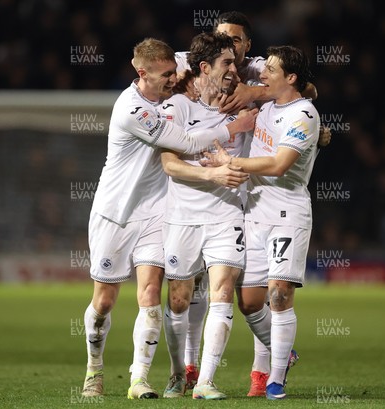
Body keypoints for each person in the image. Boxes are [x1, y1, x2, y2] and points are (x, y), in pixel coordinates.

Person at [80, 37, 256, 400]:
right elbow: (187, 143)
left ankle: (138, 378)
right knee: (105, 302)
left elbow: (205, 63)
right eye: (164, 75)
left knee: (149, 294)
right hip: (116, 213)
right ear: (142, 74)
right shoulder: (132, 109)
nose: (172, 79)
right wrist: (234, 128)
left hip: (158, 211)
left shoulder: (173, 88)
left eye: (174, 73)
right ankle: (94, 368)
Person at [202, 45, 319, 400]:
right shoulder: (265, 106)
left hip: (288, 214)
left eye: (270, 70)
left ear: (291, 78)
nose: (262, 75)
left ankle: (276, 380)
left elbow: (279, 164)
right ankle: (285, 351)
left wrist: (230, 163)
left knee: (279, 294)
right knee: (250, 302)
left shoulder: (304, 114)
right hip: (254, 211)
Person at [159, 32, 254, 400]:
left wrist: (321, 134)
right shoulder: (179, 107)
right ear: (204, 68)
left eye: (235, 62)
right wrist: (212, 173)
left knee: (223, 293)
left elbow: (297, 95)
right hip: (182, 215)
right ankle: (176, 373)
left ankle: (207, 381)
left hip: (226, 212)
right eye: (227, 64)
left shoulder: (244, 106)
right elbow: (170, 164)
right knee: (179, 300)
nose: (234, 70)